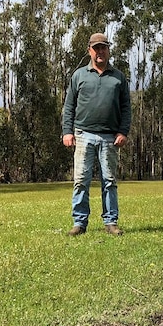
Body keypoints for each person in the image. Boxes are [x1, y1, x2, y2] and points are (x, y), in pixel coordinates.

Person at [61, 33, 132, 236]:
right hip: (83, 134)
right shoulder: (79, 75)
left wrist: (123, 131)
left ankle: (111, 222)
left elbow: (126, 108)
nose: (100, 52)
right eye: (96, 48)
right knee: (80, 180)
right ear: (89, 50)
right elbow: (69, 106)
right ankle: (79, 223)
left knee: (109, 181)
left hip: (110, 137)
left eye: (103, 48)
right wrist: (68, 131)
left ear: (108, 50)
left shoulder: (119, 77)